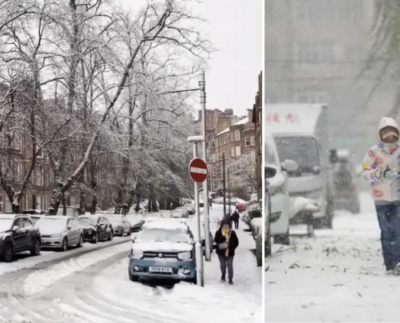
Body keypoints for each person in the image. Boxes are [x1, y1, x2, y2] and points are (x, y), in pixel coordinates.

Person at [362, 117, 400, 275]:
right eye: (386, 134)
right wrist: (380, 173)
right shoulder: (373, 152)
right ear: (381, 135)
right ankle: (389, 264)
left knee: (398, 230)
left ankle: (398, 262)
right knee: (386, 231)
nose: (390, 138)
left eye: (393, 135)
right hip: (381, 199)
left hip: (398, 199)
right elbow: (365, 173)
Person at [214, 219, 239, 284]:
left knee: (230, 265)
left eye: (227, 225)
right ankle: (223, 274)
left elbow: (236, 242)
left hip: (230, 253)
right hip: (221, 252)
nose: (225, 227)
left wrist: (232, 247)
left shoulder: (232, 233)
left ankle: (230, 279)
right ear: (222, 225)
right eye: (224, 225)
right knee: (223, 265)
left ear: (229, 226)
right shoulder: (218, 232)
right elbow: (216, 240)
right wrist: (224, 238)